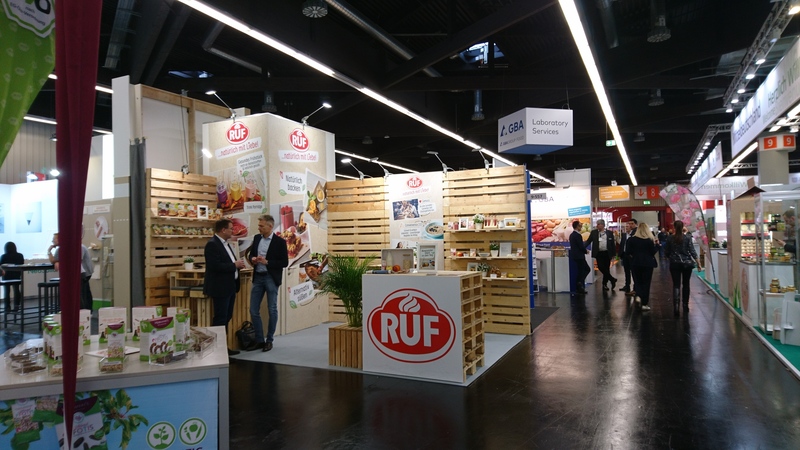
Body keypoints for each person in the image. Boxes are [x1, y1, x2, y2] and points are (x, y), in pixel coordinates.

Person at [245, 215, 288, 352]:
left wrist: (267, 262)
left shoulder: (280, 242)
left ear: (270, 226)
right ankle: (259, 340)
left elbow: (284, 262)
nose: (259, 228)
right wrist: (253, 259)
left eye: (261, 226)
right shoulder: (257, 238)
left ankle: (269, 340)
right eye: (259, 225)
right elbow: (250, 254)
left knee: (272, 309)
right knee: (253, 310)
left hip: (271, 277)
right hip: (258, 277)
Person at [204, 218, 247, 356]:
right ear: (223, 230)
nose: (233, 231)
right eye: (231, 229)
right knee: (220, 318)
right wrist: (234, 265)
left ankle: (223, 347)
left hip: (230, 287)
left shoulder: (225, 244)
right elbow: (214, 266)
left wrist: (237, 266)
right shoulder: (212, 245)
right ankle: (218, 349)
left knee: (227, 317)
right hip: (220, 287)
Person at [48, 232, 94, 310]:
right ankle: (85, 311)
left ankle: (84, 312)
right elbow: (54, 260)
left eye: (54, 239)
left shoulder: (77, 247)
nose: (53, 241)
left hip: (81, 273)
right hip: (78, 273)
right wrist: (50, 252)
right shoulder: (61, 249)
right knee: (82, 294)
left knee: (81, 295)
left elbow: (76, 260)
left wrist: (58, 261)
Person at [664, 220, 699, 314]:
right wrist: (698, 263)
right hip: (686, 264)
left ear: (674, 227)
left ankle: (676, 307)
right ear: (683, 227)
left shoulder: (670, 238)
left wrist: (670, 257)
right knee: (686, 284)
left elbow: (666, 251)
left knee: (676, 285)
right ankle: (685, 305)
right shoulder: (687, 238)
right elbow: (692, 251)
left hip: (674, 263)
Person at [627, 222, 660, 311]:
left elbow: (628, 252)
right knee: (646, 282)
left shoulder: (631, 240)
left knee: (637, 281)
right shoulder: (649, 240)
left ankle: (638, 295)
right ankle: (644, 303)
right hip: (648, 263)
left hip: (635, 263)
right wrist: (657, 245)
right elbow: (652, 252)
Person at [585, 219, 617, 291]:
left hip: (607, 253)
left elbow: (612, 244)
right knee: (600, 267)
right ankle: (612, 279)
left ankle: (604, 284)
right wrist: (582, 247)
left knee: (606, 268)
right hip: (599, 253)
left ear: (603, 225)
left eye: (598, 224)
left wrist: (613, 254)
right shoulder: (594, 233)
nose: (597, 226)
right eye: (597, 224)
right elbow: (588, 241)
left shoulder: (609, 233)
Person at [0, 242, 24, 311]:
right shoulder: (20, 255)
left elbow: (1, 265)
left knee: (6, 291)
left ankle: (7, 306)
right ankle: (17, 305)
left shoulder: (4, 256)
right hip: (16, 275)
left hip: (6, 275)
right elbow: (22, 264)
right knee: (16, 290)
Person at [568, 220, 590, 295]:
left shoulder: (572, 235)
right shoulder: (577, 235)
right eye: (580, 225)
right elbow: (580, 246)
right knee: (584, 270)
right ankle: (579, 284)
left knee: (583, 270)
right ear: (577, 226)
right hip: (579, 256)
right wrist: (585, 251)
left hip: (576, 256)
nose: (581, 227)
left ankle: (579, 284)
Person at [619, 219, 638, 295]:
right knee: (626, 271)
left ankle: (635, 288)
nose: (627, 227)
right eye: (626, 226)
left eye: (629, 225)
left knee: (633, 272)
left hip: (632, 256)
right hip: (625, 255)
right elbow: (622, 245)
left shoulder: (634, 235)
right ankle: (627, 286)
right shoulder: (624, 235)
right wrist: (620, 254)